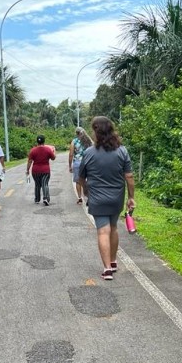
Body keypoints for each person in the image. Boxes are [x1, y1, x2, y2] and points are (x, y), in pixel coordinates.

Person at [77, 116, 135, 281]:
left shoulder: (89, 153)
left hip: (97, 198)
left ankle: (107, 269)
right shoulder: (122, 151)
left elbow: (81, 178)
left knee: (103, 230)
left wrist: (86, 191)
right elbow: (129, 177)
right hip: (116, 197)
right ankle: (114, 261)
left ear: (95, 131)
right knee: (114, 228)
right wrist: (131, 197)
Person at [26, 135, 56, 205]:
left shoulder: (33, 150)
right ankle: (45, 198)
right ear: (44, 141)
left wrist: (27, 170)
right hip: (45, 170)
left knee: (37, 184)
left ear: (37, 141)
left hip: (35, 171)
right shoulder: (48, 149)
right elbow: (53, 158)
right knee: (44, 184)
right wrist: (54, 151)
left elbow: (29, 161)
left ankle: (37, 199)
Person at [68, 127, 93, 204]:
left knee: (78, 181)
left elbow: (71, 154)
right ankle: (89, 197)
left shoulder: (74, 141)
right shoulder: (89, 141)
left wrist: (70, 165)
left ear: (76, 133)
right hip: (88, 162)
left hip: (78, 163)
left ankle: (79, 197)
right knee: (89, 180)